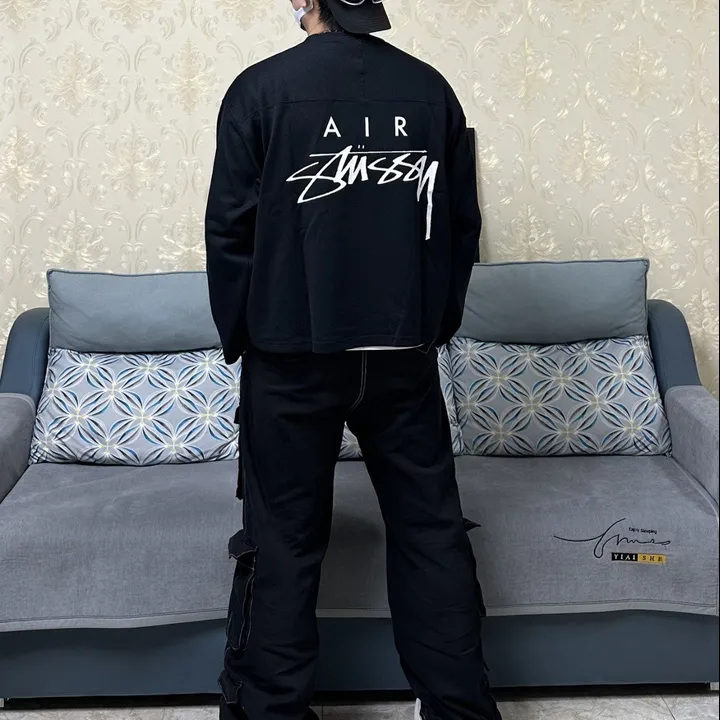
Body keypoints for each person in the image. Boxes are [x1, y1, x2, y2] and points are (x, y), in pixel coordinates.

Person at [205, 1, 501, 719]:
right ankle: (460, 712)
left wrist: (244, 336)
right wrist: (433, 326)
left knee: (282, 541)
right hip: (402, 352)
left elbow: (230, 230)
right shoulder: (430, 89)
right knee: (430, 532)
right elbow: (462, 225)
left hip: (291, 352)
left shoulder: (261, 88)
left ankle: (271, 713)